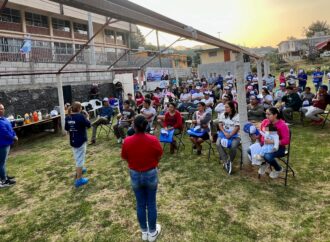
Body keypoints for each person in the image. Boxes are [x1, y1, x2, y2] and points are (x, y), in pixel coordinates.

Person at [121, 115, 163, 242]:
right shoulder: (153, 139)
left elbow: (125, 157)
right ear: (146, 126)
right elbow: (159, 155)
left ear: (133, 126)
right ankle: (152, 232)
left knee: (140, 204)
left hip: (134, 173)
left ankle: (144, 231)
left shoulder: (127, 141)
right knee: (151, 203)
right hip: (150, 172)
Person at [257, 107, 290, 179]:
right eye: (266, 114)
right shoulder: (265, 121)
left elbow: (287, 141)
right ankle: (264, 163)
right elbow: (261, 134)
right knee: (250, 150)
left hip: (278, 147)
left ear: (275, 115)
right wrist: (255, 135)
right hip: (264, 145)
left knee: (267, 156)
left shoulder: (282, 125)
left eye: (269, 114)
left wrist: (272, 141)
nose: (267, 116)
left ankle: (278, 169)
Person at [65, 102, 91, 187]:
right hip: (80, 141)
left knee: (77, 156)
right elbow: (88, 125)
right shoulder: (80, 116)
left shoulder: (68, 117)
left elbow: (66, 128)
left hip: (73, 140)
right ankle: (79, 180)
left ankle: (80, 169)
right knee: (80, 159)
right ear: (80, 108)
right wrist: (87, 117)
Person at [216, 101, 240, 174]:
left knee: (233, 146)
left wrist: (230, 135)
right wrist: (225, 132)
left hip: (235, 134)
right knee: (218, 143)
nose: (225, 108)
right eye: (225, 107)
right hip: (224, 133)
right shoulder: (223, 114)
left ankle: (230, 161)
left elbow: (237, 127)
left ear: (232, 108)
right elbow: (220, 124)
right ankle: (226, 161)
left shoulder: (237, 116)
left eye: (227, 107)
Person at [0, 104, 17, 188]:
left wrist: (14, 134)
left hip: (7, 143)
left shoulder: (4, 119)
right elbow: (4, 132)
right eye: (0, 109)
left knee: (3, 162)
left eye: (3, 109)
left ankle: (4, 175)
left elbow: (10, 127)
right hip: (2, 145)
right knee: (1, 163)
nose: (2, 110)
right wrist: (13, 137)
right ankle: (4, 181)